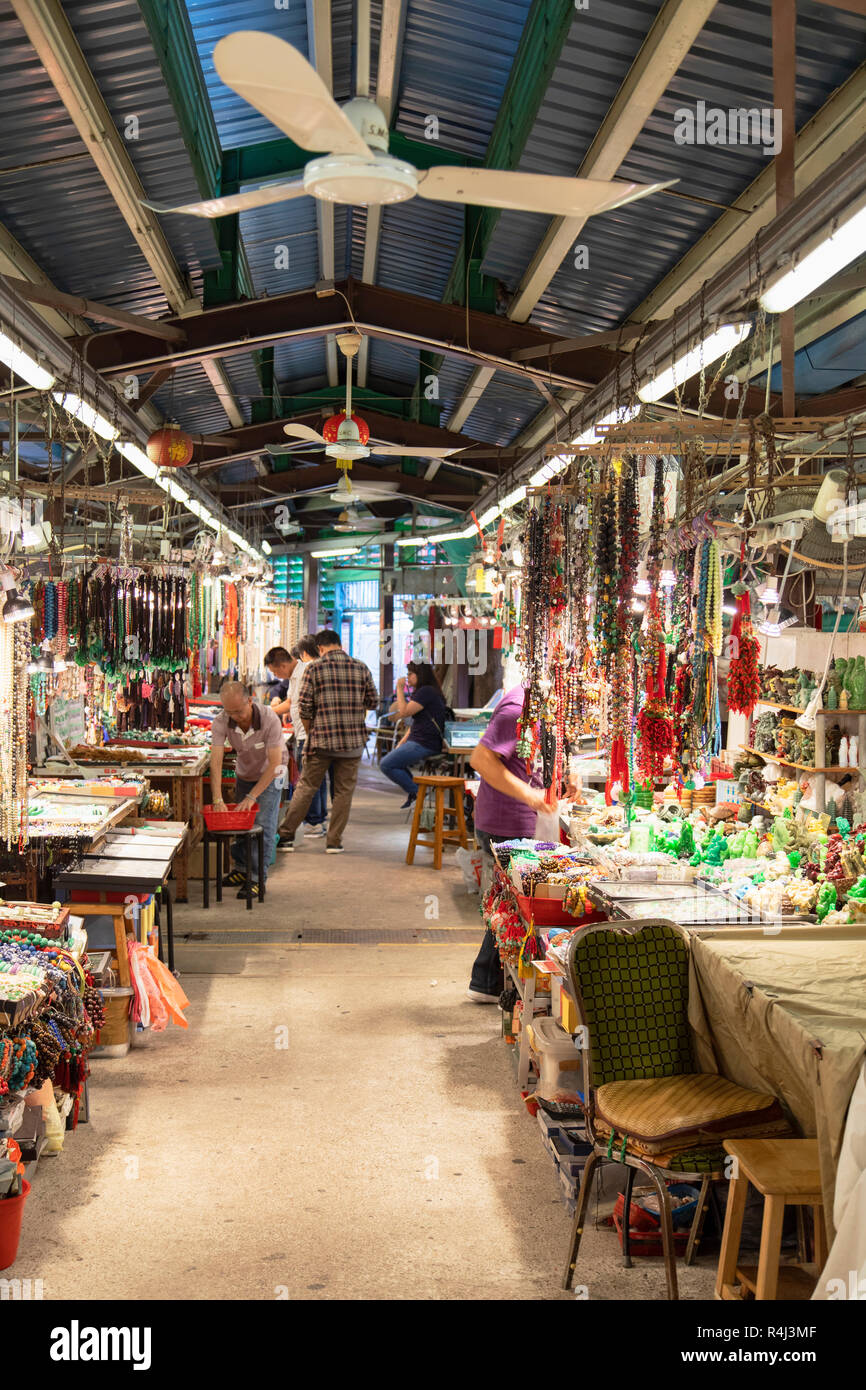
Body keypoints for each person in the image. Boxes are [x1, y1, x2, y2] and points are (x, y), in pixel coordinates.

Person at [465, 666, 549, 1003]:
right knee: (514, 901)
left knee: (510, 899)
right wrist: (530, 796)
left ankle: (486, 982)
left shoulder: (538, 706)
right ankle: (486, 981)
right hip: (507, 823)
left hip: (514, 821)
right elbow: (482, 759)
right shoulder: (518, 709)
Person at [278, 629, 378, 854]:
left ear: (320, 648)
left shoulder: (314, 668)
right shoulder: (361, 667)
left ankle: (285, 836)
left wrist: (311, 731)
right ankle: (334, 841)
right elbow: (373, 701)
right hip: (351, 743)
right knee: (343, 792)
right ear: (339, 644)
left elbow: (303, 706)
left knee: (306, 787)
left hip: (321, 741)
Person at [209, 681, 288, 899]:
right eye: (229, 711)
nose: (235, 716)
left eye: (239, 711)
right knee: (241, 822)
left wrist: (253, 796)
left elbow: (274, 763)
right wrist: (217, 798)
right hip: (245, 773)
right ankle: (242, 869)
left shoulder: (270, 719)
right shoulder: (222, 720)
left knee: (263, 825)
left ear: (250, 701)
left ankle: (257, 878)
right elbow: (215, 761)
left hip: (274, 773)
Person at [280, 635, 329, 843]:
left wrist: (266, 711)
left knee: (309, 780)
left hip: (307, 734)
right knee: (317, 778)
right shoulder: (317, 669)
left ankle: (314, 822)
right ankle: (319, 819)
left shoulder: (306, 670)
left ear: (302, 654)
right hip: (315, 733)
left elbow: (303, 704)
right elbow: (292, 702)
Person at [380, 662, 449, 808]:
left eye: (411, 674)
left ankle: (417, 792)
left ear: (421, 675)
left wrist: (399, 688)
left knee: (387, 764)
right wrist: (404, 740)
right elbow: (417, 721)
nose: (408, 677)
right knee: (394, 763)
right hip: (419, 740)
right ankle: (416, 792)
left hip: (425, 743)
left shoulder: (426, 692)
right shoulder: (425, 691)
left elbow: (404, 713)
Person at [263, 646, 296, 719]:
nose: (275, 675)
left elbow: (289, 704)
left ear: (283, 666)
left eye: (274, 672)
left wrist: (264, 712)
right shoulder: (291, 676)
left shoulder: (304, 674)